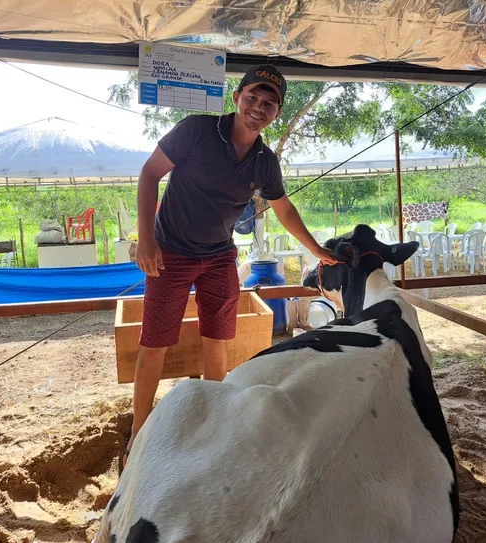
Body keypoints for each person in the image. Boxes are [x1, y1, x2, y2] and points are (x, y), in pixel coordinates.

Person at [126, 64, 337, 464]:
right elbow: (149, 174)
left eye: (269, 104)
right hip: (170, 252)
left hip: (220, 256)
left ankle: (213, 419)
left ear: (276, 114)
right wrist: (146, 240)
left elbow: (284, 208)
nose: (258, 108)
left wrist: (316, 248)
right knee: (155, 341)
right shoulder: (197, 130)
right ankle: (138, 430)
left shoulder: (264, 162)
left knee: (218, 339)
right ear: (237, 97)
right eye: (253, 98)